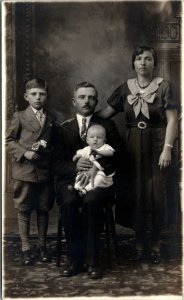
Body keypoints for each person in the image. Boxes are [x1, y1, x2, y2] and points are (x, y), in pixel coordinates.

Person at [96, 46, 178, 264]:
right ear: (133, 63)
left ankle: (156, 244)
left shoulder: (164, 87)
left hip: (158, 145)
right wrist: (84, 119)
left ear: (154, 63)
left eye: (148, 59)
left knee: (156, 193)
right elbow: (106, 114)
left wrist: (167, 149)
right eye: (139, 59)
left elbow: (172, 121)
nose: (143, 63)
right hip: (132, 149)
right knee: (136, 194)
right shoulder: (125, 89)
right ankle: (141, 244)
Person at [54, 81, 121, 279]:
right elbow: (55, 163)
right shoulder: (63, 128)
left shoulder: (107, 127)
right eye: (82, 97)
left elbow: (120, 157)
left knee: (93, 201)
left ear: (96, 101)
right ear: (74, 101)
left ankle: (93, 260)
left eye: (91, 97)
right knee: (69, 200)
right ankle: (74, 259)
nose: (87, 101)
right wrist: (75, 166)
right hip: (70, 181)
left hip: (100, 180)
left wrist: (97, 166)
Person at [6, 78, 55, 266]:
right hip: (24, 172)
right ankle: (26, 247)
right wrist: (24, 152)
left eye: (41, 94)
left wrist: (46, 151)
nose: (38, 97)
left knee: (43, 209)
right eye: (34, 94)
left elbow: (53, 144)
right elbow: (8, 141)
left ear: (46, 96)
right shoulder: (20, 116)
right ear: (27, 96)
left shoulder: (51, 119)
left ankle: (42, 246)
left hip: (43, 172)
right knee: (24, 210)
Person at [73, 124, 115, 194]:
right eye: (92, 137)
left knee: (99, 179)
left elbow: (111, 152)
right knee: (79, 176)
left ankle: (85, 190)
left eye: (99, 137)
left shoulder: (105, 147)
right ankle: (77, 188)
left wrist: (100, 152)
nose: (95, 139)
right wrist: (76, 156)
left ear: (104, 140)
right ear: (87, 140)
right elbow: (79, 153)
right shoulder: (87, 149)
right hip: (87, 171)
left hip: (101, 174)